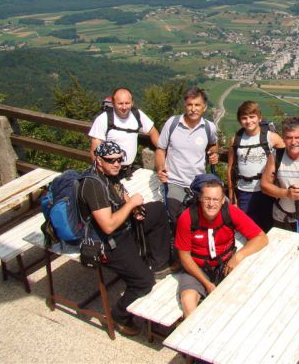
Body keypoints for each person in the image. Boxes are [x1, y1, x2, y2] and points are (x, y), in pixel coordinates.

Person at [79, 141, 171, 336]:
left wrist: (136, 208)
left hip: (124, 228)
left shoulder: (108, 176)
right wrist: (130, 207)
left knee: (157, 210)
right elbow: (108, 225)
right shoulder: (94, 186)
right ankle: (119, 315)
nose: (116, 164)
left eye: (119, 160)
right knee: (144, 282)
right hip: (110, 243)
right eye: (110, 160)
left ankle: (158, 263)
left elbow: (123, 195)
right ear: (98, 160)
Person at [174, 174, 268, 318]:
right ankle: (195, 335)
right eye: (207, 199)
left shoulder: (230, 212)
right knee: (188, 301)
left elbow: (261, 238)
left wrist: (238, 256)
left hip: (226, 263)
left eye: (216, 199)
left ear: (223, 200)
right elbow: (184, 256)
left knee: (248, 297)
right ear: (200, 198)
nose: (211, 204)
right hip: (196, 268)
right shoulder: (187, 218)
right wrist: (206, 283)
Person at [155, 86, 219, 227]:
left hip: (199, 183)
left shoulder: (209, 127)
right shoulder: (172, 123)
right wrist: (160, 168)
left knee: (200, 221)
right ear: (184, 106)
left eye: (197, 105)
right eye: (189, 105)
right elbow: (160, 149)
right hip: (174, 182)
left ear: (204, 107)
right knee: (178, 220)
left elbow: (213, 145)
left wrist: (214, 155)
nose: (193, 108)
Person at [227, 101, 284, 232]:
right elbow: (230, 167)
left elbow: (291, 154)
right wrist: (231, 193)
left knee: (269, 228)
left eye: (252, 117)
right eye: (244, 118)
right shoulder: (235, 140)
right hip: (243, 191)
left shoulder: (272, 138)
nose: (248, 121)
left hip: (267, 192)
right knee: (247, 229)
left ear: (259, 118)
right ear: (240, 120)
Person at [88, 87, 160, 178]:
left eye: (127, 103)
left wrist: (162, 149)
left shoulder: (137, 114)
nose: (124, 107)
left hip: (129, 170)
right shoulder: (103, 119)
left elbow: (152, 131)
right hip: (109, 172)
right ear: (113, 103)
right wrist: (101, 173)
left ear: (132, 103)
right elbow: (95, 150)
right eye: (120, 103)